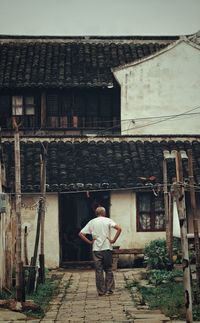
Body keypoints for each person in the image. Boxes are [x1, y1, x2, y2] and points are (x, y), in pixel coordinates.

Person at [78, 206, 121, 296]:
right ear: (104, 213)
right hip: (107, 248)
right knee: (108, 269)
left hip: (96, 249)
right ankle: (109, 290)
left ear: (96, 213)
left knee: (99, 270)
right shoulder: (108, 220)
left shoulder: (92, 222)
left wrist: (90, 242)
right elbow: (119, 229)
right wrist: (113, 240)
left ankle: (101, 291)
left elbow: (81, 234)